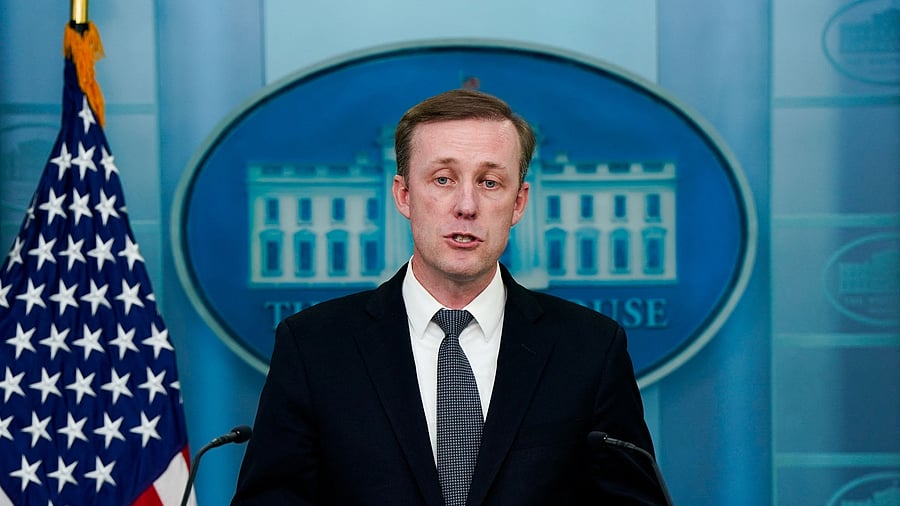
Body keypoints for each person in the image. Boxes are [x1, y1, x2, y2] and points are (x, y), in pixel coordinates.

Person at [231, 89, 668, 505]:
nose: (466, 205)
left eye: (490, 182)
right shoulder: (313, 347)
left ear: (519, 203)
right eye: (443, 179)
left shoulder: (591, 349)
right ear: (404, 195)